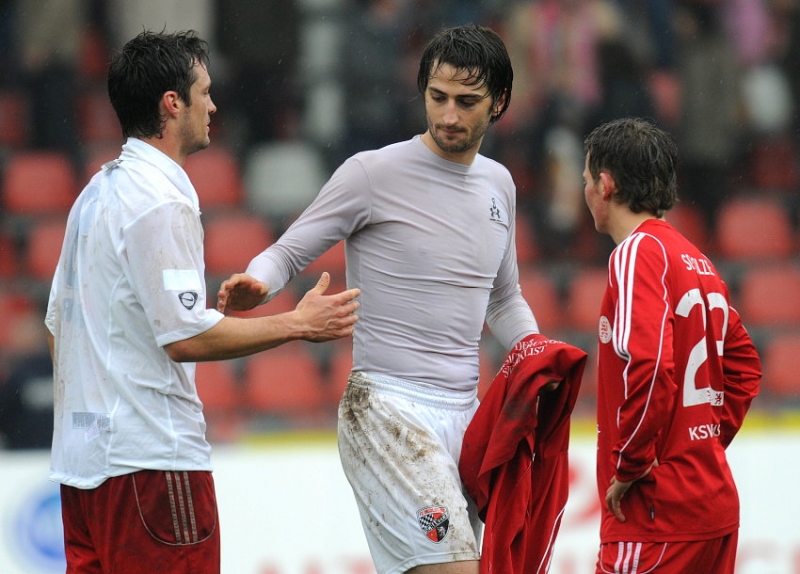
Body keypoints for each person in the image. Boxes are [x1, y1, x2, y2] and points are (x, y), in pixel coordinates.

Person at [218, 24, 550, 574]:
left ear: (500, 102)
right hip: (388, 409)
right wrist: (259, 283)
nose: (448, 115)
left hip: (467, 416)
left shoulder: (499, 184)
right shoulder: (371, 173)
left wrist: (537, 356)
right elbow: (287, 252)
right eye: (437, 97)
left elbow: (504, 296)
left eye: (467, 102)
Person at [45, 30, 360, 574]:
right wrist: (298, 323)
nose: (212, 106)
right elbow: (186, 337)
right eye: (204, 92)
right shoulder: (159, 200)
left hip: (84, 471)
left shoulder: (94, 195)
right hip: (152, 467)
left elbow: (59, 327)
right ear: (173, 103)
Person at [582, 117, 762, 574]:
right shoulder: (697, 260)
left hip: (654, 513)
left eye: (586, 179)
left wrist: (632, 463)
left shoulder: (635, 253)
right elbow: (745, 367)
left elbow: (649, 363)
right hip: (711, 506)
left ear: (605, 185)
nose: (584, 190)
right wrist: (701, 443)